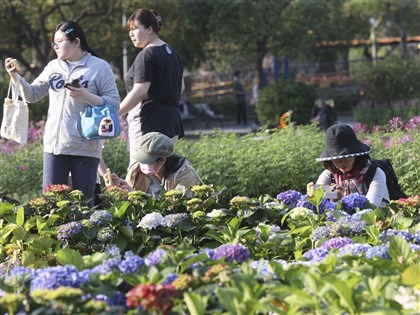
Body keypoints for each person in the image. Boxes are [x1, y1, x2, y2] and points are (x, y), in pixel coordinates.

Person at [4, 21, 120, 206]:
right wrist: (16, 77)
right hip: (55, 145)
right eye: (53, 42)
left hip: (86, 146)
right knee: (51, 204)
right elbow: (33, 95)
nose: (55, 46)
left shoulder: (100, 67)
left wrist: (86, 95)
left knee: (83, 205)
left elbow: (114, 104)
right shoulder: (53, 67)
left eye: (59, 41)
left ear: (76, 42)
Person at [118, 8, 185, 166]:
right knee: (162, 173)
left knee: (138, 175)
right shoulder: (173, 53)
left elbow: (140, 91)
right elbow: (181, 88)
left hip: (148, 122)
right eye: (130, 30)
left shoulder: (146, 55)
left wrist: (115, 113)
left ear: (150, 29)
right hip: (172, 122)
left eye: (135, 29)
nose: (131, 34)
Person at [308, 124, 389, 208]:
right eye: (336, 159)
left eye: (347, 156)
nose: (341, 162)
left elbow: (371, 208)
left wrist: (344, 200)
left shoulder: (375, 173)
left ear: (356, 156)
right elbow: (317, 201)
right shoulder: (329, 174)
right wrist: (316, 193)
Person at [106, 132, 201, 199]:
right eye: (141, 159)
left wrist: (137, 196)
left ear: (162, 160)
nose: (143, 164)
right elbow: (128, 206)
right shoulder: (136, 169)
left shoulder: (184, 173)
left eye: (149, 161)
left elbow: (181, 207)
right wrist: (118, 190)